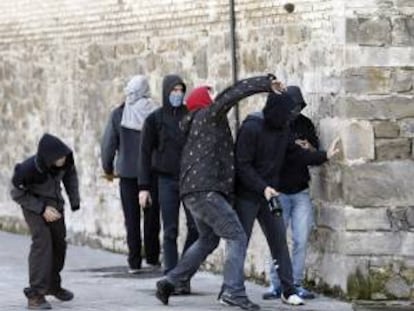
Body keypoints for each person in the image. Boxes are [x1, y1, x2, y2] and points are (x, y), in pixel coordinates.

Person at [155, 74, 284, 311]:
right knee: (236, 235)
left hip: (194, 192)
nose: (215, 97)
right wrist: (265, 83)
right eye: (210, 94)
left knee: (208, 239)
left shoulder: (194, 122)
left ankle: (170, 281)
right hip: (206, 191)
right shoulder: (209, 115)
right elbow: (232, 94)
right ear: (204, 101)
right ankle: (233, 292)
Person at [263, 86, 327, 300]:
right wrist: (293, 147)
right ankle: (276, 284)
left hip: (300, 190)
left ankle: (296, 283)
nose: (295, 111)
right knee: (277, 239)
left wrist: (307, 147)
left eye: (299, 107)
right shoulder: (274, 125)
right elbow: (272, 154)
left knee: (301, 239)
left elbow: (314, 152)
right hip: (279, 190)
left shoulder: (305, 124)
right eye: (293, 107)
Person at [138, 74, 198, 292]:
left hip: (189, 180)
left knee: (196, 228)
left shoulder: (190, 116)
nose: (178, 94)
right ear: (166, 92)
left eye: (181, 90)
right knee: (170, 229)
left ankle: (184, 274)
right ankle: (171, 277)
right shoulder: (154, 119)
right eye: (173, 90)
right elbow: (144, 154)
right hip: (165, 180)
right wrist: (143, 187)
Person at [10, 133, 80, 310]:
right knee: (43, 243)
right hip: (34, 206)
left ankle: (52, 286)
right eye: (59, 158)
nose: (63, 160)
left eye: (64, 156)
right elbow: (16, 193)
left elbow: (70, 176)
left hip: (55, 206)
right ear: (48, 157)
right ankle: (35, 295)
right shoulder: (28, 169)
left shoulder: (65, 163)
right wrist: (41, 209)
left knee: (59, 245)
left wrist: (74, 200)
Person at [101, 75, 160, 273]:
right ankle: (152, 257)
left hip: (127, 174)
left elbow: (108, 144)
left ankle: (134, 261)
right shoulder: (155, 112)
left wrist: (107, 168)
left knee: (131, 218)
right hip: (151, 173)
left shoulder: (119, 114)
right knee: (152, 217)